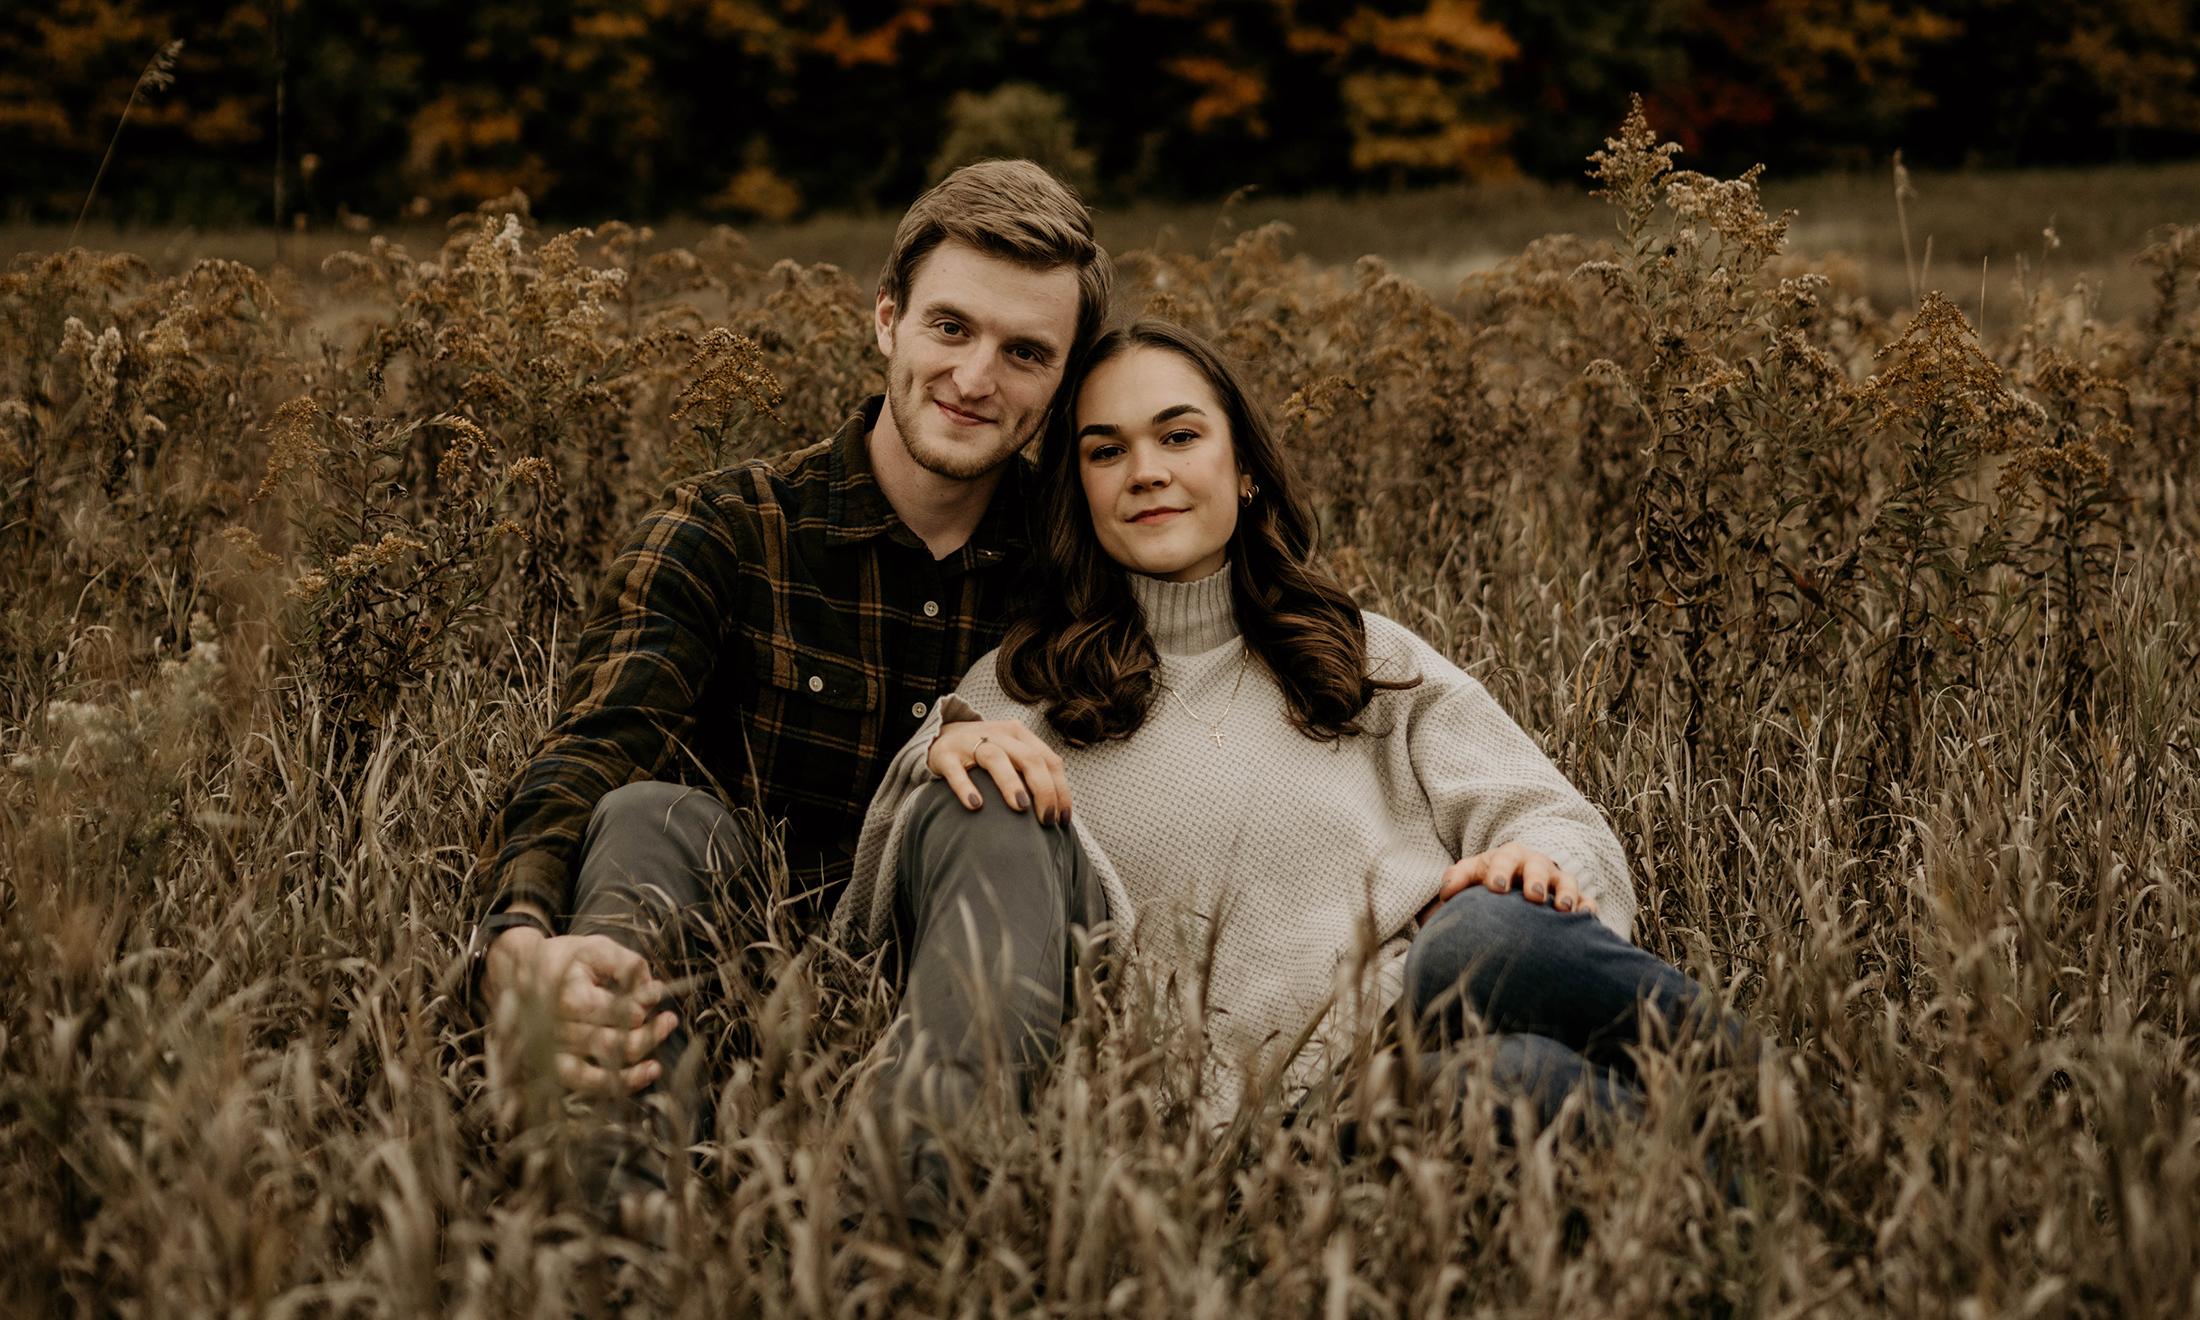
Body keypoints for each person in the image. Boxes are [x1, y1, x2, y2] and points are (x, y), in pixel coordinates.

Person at [836, 321, 1749, 1223]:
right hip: (1289, 1122)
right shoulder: (1025, 685)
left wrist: (1538, 861)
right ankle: (1759, 1181)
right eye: (1105, 451)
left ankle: (1765, 1104)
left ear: (1245, 470)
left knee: (1486, 938)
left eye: (1180, 435)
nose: (1145, 470)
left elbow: (1551, 814)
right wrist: (941, 750)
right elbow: (890, 885)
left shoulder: (1361, 654)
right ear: (1078, 490)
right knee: (1524, 1080)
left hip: (1426, 997)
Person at [466, 159, 1111, 1225]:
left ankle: (908, 1223)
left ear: (1061, 379)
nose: (976, 376)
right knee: (642, 813)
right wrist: (518, 942)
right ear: (887, 321)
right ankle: (611, 1222)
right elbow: (595, 748)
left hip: (963, 946)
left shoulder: (1080, 554)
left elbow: (1251, 635)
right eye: (950, 328)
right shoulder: (730, 527)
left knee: (1002, 808)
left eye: (1025, 352)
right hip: (742, 934)